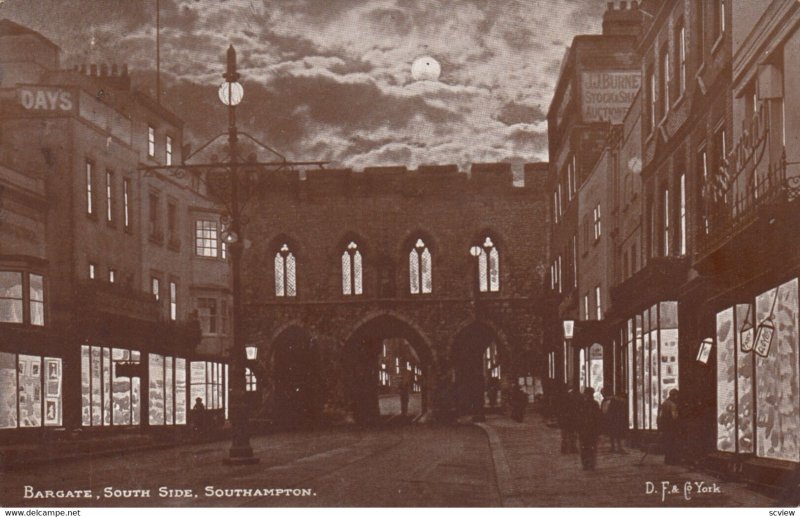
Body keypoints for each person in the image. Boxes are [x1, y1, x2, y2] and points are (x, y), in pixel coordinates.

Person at [578, 387, 602, 470]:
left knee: (585, 447)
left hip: (585, 429)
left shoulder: (583, 404)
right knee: (592, 447)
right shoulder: (594, 404)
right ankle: (591, 464)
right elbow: (598, 417)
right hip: (591, 429)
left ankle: (586, 464)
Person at [601, 387, 627, 453]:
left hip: (614, 419)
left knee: (616, 434)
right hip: (610, 419)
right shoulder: (605, 400)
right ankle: (614, 447)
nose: (602, 394)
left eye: (603, 393)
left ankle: (618, 447)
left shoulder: (615, 400)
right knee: (612, 434)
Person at [658, 389, 680, 465]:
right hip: (671, 427)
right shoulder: (673, 405)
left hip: (665, 426)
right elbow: (675, 417)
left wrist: (660, 427)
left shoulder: (664, 403)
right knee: (672, 443)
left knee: (667, 443)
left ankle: (667, 459)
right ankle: (672, 460)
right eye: (677, 396)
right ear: (674, 396)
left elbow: (660, 416)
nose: (677, 397)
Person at [558, 387, 579, 454]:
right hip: (570, 420)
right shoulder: (573, 401)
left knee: (565, 435)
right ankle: (572, 448)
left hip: (566, 420)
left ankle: (564, 448)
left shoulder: (562, 400)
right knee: (571, 435)